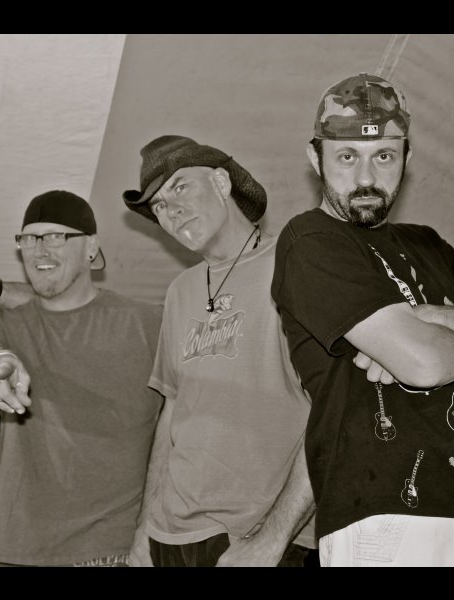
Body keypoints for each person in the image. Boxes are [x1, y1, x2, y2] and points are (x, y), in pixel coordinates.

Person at [270, 72, 454, 567]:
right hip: (384, 519)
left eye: (384, 156)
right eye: (346, 157)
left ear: (406, 158)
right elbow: (424, 365)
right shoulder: (310, 240)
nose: (366, 178)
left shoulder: (426, 243)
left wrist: (428, 317)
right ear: (315, 159)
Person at [121, 135, 316, 567]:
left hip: (259, 537)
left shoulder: (296, 262)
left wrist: (273, 538)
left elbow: (334, 408)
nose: (171, 210)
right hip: (170, 534)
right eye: (159, 206)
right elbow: (172, 412)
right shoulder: (180, 290)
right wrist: (145, 528)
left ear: (222, 183)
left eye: (180, 187)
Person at [0, 190, 163, 567]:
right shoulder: (7, 323)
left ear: (91, 248)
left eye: (56, 236)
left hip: (110, 552)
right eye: (29, 239)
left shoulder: (149, 324)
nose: (39, 250)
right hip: (11, 553)